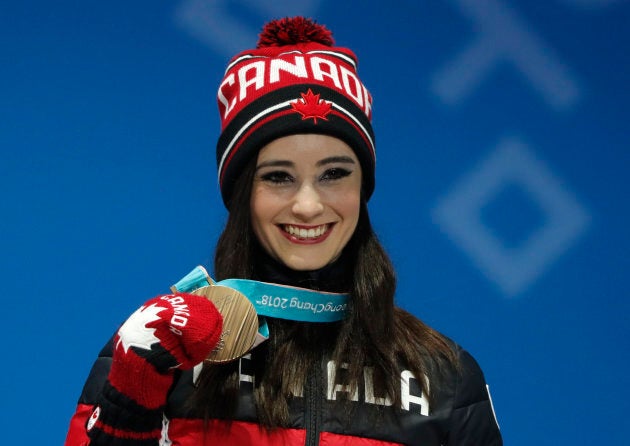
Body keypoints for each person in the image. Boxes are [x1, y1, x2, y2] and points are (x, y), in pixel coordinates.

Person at [65, 16, 502, 446]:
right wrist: (129, 402)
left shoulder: (444, 379)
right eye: (278, 177)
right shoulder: (162, 351)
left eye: (334, 174)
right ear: (243, 196)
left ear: (362, 189)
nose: (309, 205)